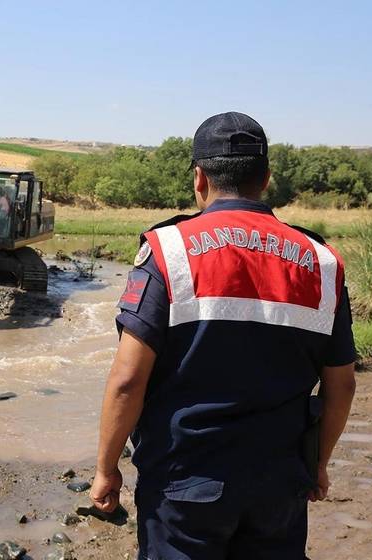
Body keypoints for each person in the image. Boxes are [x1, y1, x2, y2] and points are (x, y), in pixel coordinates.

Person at [90, 112, 357, 559]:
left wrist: (106, 468)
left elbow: (127, 381)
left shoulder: (168, 251)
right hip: (279, 482)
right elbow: (342, 385)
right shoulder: (322, 262)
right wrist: (318, 464)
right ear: (266, 179)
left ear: (199, 179)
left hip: (185, 482)